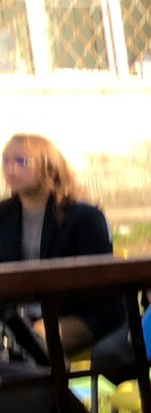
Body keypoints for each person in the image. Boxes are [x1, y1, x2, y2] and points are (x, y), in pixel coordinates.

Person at [0, 134, 117, 355]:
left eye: (21, 161)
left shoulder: (84, 216)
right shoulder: (4, 215)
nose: (11, 169)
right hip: (17, 317)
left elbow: (98, 286)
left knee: (28, 341)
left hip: (78, 315)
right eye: (6, 161)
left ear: (49, 167)